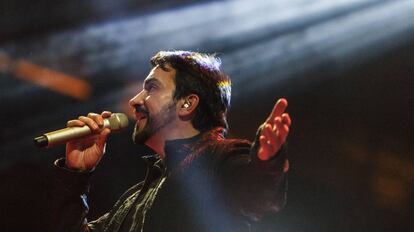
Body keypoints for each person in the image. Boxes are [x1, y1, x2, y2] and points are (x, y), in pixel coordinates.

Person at [50, 51, 291, 232]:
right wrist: (76, 175)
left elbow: (257, 191)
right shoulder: (135, 198)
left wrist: (266, 163)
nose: (135, 100)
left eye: (151, 88)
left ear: (187, 103)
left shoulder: (219, 158)